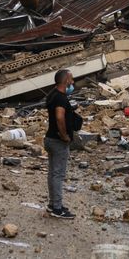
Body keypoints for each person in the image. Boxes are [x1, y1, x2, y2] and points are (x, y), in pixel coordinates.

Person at [44, 69, 78, 219]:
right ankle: (57, 208)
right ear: (65, 81)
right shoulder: (61, 99)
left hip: (49, 138)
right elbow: (59, 117)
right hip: (58, 141)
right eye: (71, 79)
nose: (73, 82)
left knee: (52, 173)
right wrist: (64, 136)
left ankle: (53, 204)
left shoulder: (52, 94)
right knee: (58, 175)